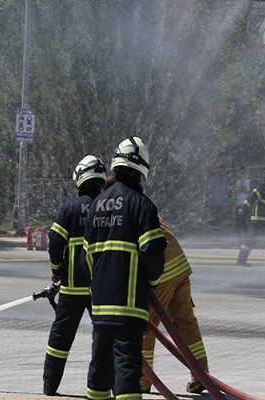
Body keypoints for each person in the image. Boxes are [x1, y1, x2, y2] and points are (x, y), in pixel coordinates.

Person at [84, 136, 166, 400]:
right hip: (128, 306)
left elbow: (88, 255)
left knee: (99, 369)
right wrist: (152, 283)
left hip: (99, 306)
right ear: (142, 168)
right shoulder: (142, 206)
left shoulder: (97, 204)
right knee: (127, 372)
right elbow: (153, 253)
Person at [42, 155, 107, 396]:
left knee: (60, 339)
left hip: (71, 287)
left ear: (79, 179)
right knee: (103, 339)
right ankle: (104, 389)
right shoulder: (107, 207)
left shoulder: (69, 208)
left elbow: (55, 241)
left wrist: (57, 269)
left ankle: (50, 387)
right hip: (100, 289)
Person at [139, 216, 209, 394]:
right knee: (186, 322)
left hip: (161, 270)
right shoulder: (142, 204)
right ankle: (202, 377)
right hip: (179, 264)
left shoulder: (114, 209)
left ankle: (142, 380)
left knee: (146, 326)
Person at [236, 163, 265, 267]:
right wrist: (243, 208)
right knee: (250, 241)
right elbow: (251, 197)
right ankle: (241, 261)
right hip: (258, 219)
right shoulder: (262, 186)